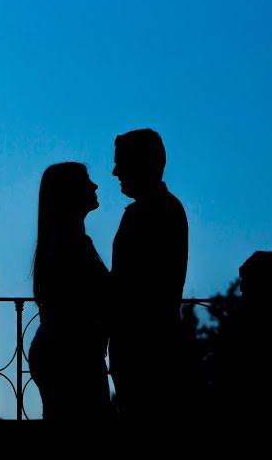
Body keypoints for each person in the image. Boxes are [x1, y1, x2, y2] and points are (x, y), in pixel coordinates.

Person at [108, 128, 190, 422]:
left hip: (143, 350)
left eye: (121, 162)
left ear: (142, 163)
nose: (115, 171)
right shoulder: (167, 208)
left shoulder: (147, 213)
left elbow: (129, 285)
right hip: (151, 346)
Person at [27, 162, 113, 421]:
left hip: (66, 352)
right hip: (71, 356)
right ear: (69, 191)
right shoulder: (68, 244)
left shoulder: (66, 241)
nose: (94, 186)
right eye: (86, 180)